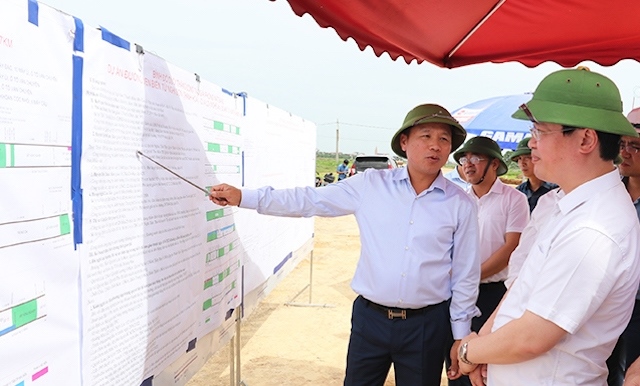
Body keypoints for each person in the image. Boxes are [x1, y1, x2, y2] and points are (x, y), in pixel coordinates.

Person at [209, 104, 481, 386]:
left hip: (426, 325)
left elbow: (465, 273)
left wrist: (460, 333)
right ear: (404, 141)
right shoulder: (370, 185)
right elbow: (309, 200)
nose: (435, 146)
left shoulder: (459, 203)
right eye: (426, 136)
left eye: (443, 139)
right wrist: (245, 197)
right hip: (370, 320)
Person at [455, 67, 640, 386]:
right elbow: (521, 290)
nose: (531, 143)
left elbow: (532, 337)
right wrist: (485, 345)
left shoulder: (594, 228)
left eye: (540, 131)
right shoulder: (565, 205)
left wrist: (469, 351)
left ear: (585, 138)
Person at [446, 136, 529, 386]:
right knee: (455, 362)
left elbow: (510, 248)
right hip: (456, 293)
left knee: (485, 367)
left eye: (476, 158)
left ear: (494, 164)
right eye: (464, 159)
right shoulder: (457, 200)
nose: (468, 164)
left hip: (493, 294)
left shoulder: (514, 200)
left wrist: (470, 277)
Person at [607, 108, 640, 386]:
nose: (625, 152)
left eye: (635, 146)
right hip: (608, 303)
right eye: (622, 144)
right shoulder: (607, 195)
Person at [508, 137, 558, 212]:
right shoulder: (519, 192)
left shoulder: (557, 190)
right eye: (519, 159)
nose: (522, 163)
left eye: (528, 158)